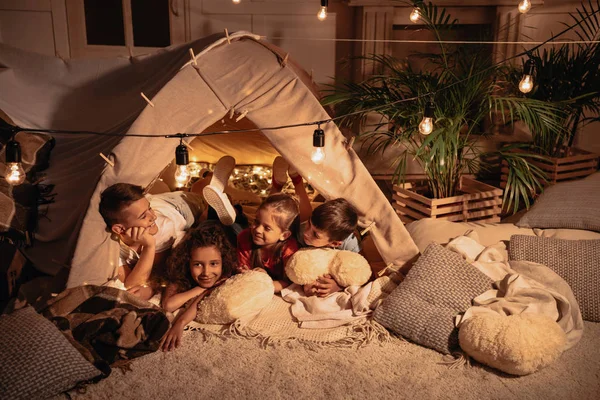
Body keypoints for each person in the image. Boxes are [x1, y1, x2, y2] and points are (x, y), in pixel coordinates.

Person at [98, 157, 236, 299]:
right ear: (119, 229)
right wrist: (149, 246)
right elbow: (131, 286)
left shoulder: (162, 227)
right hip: (159, 203)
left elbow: (156, 272)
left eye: (149, 210)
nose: (153, 217)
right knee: (198, 193)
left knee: (203, 206)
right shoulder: (112, 246)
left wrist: (148, 242)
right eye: (143, 217)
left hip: (178, 207)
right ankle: (207, 177)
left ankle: (214, 185)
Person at [270, 156, 361, 297]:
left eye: (315, 234)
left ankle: (290, 181)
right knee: (277, 220)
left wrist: (338, 285)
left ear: (334, 243)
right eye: (309, 227)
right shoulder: (303, 232)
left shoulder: (350, 246)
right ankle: (289, 182)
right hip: (304, 225)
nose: (307, 234)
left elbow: (359, 272)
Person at [160, 221, 236, 351]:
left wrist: (181, 323)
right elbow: (168, 305)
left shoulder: (226, 274)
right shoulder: (181, 273)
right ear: (187, 262)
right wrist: (202, 288)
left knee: (233, 226)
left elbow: (200, 301)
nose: (206, 273)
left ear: (223, 261)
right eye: (197, 264)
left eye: (214, 264)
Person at [236, 193, 299, 294]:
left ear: (284, 235)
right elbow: (242, 272)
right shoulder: (245, 238)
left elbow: (289, 282)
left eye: (267, 228)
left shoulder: (289, 250)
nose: (257, 230)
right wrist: (248, 274)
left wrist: (265, 282)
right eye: (256, 222)